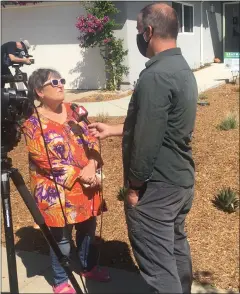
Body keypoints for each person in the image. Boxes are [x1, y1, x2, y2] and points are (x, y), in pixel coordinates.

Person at [88, 3, 198, 293]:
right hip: (180, 182)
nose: (138, 36)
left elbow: (147, 140)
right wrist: (113, 130)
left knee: (160, 271)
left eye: (138, 30)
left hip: (156, 187)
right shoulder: (181, 67)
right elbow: (158, 123)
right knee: (175, 251)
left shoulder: (155, 76)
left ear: (149, 32)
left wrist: (135, 188)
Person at [22, 68, 110, 294]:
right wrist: (80, 175)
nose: (61, 84)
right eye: (54, 82)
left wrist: (92, 164)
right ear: (39, 91)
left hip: (87, 186)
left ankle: (88, 267)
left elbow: (93, 138)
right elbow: (42, 160)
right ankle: (60, 280)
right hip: (56, 191)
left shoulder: (76, 111)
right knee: (61, 239)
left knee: (88, 230)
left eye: (61, 80)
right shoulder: (32, 123)